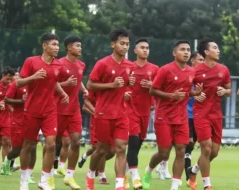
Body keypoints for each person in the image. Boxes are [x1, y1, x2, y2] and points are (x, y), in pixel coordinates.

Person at [141, 40, 202, 190]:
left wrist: (195, 93)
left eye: (188, 50)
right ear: (174, 53)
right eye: (182, 49)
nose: (186, 52)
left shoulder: (191, 72)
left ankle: (174, 186)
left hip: (181, 118)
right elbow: (152, 90)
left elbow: (187, 92)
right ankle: (148, 170)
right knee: (164, 153)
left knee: (181, 151)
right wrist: (171, 95)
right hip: (164, 117)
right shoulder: (165, 70)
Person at [17, 33, 69, 190]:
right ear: (44, 46)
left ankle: (44, 180)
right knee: (28, 145)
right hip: (32, 109)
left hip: (50, 110)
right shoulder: (31, 61)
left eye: (58, 45)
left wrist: (62, 92)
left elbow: (53, 82)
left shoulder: (59, 65)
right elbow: (19, 82)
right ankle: (24, 180)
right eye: (53, 44)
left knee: (52, 144)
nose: (57, 48)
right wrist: (33, 77)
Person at [85, 29, 134, 190]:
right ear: (113, 44)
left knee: (121, 149)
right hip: (103, 113)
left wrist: (129, 85)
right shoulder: (102, 63)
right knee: (101, 150)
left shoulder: (130, 66)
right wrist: (111, 85)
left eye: (127, 44)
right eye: (122, 43)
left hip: (121, 114)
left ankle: (119, 185)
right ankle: (90, 174)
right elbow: (90, 85)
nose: (125, 46)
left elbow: (126, 87)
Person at [187, 39, 231, 190]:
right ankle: (207, 185)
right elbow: (185, 88)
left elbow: (229, 90)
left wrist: (225, 91)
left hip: (216, 115)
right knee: (206, 148)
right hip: (201, 114)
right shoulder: (195, 70)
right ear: (206, 52)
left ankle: (193, 171)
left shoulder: (223, 70)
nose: (218, 50)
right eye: (215, 48)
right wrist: (193, 95)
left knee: (214, 152)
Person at [124, 38, 159, 189]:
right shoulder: (128, 67)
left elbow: (160, 90)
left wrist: (152, 86)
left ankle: (123, 174)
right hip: (130, 110)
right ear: (135, 51)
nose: (145, 50)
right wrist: (126, 87)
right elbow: (119, 86)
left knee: (137, 144)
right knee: (133, 141)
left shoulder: (155, 69)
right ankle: (135, 177)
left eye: (147, 48)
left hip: (145, 111)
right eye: (142, 47)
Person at [54, 35, 88, 190]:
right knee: (54, 143)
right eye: (77, 46)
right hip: (58, 108)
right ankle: (46, 174)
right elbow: (51, 83)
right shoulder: (59, 64)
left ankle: (69, 175)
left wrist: (84, 90)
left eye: (80, 46)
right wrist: (65, 84)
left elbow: (78, 79)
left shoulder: (81, 65)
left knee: (75, 141)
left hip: (74, 109)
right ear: (69, 47)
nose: (80, 48)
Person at [4, 74, 37, 183]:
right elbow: (7, 100)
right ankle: (7, 160)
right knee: (18, 150)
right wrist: (21, 101)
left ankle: (28, 175)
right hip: (17, 121)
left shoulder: (36, 84)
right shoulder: (16, 84)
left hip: (32, 120)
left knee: (32, 148)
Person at [78, 90, 115, 184]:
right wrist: (96, 113)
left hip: (111, 121)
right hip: (96, 122)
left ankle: (85, 156)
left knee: (111, 152)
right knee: (100, 149)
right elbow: (84, 107)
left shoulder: (114, 89)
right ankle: (102, 176)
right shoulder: (94, 89)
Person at [185, 52, 204, 184]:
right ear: (192, 60)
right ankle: (188, 175)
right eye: (200, 60)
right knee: (189, 143)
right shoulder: (187, 74)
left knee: (191, 146)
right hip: (185, 114)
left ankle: (190, 171)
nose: (202, 62)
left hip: (199, 115)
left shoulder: (204, 77)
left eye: (204, 60)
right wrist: (192, 95)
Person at [0, 67, 15, 174]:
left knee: (6, 141)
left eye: (11, 79)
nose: (9, 81)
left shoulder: (11, 87)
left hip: (6, 118)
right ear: (3, 76)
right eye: (8, 78)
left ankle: (5, 167)